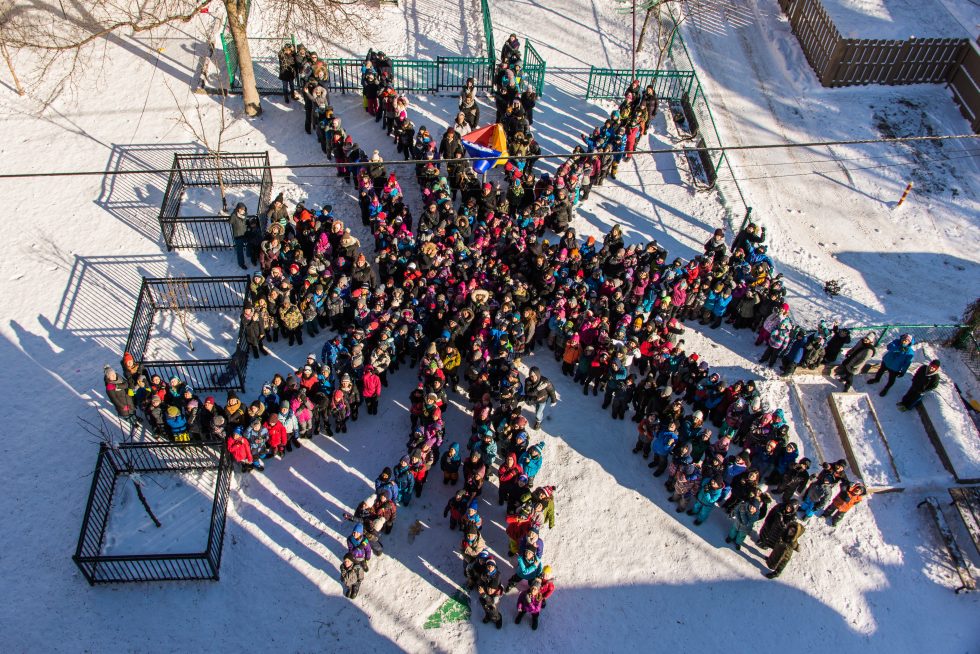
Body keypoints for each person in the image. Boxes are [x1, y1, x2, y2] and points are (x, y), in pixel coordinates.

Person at [227, 202, 249, 270]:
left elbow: (245, 222)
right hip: (238, 235)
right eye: (241, 209)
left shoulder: (245, 215)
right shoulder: (234, 215)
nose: (243, 211)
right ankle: (241, 264)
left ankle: (249, 255)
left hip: (245, 234)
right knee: (240, 251)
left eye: (244, 210)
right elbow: (230, 222)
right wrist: (233, 214)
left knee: (249, 244)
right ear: (238, 209)